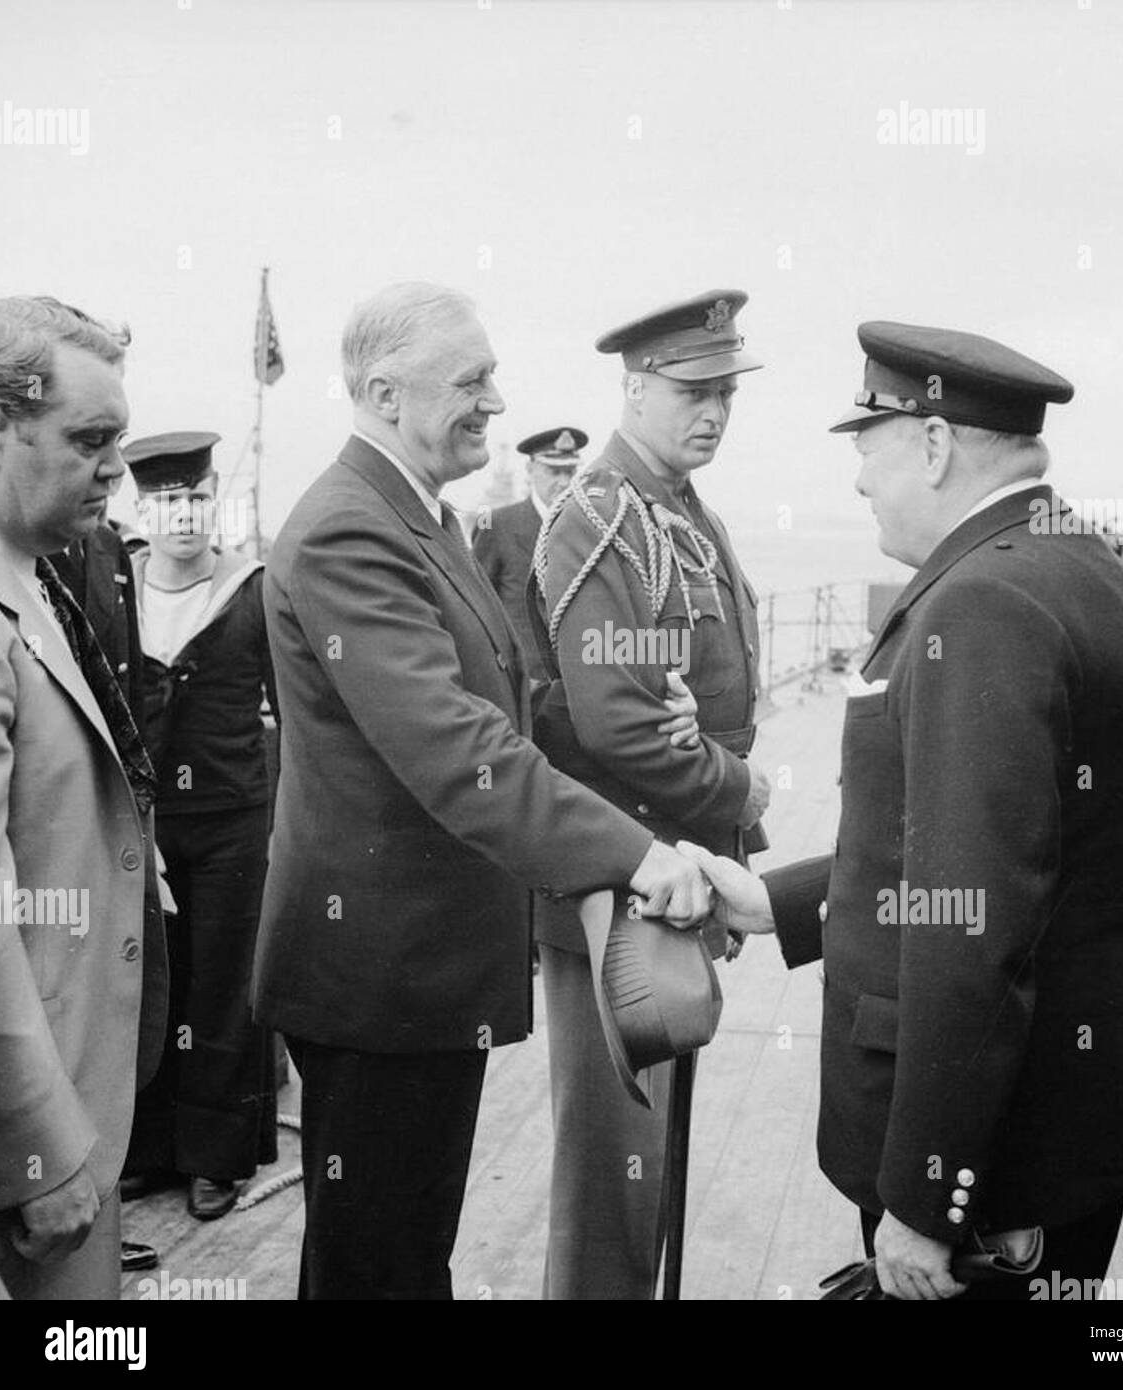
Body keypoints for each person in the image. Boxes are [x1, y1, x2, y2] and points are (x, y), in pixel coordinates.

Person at [683, 321, 1123, 1301]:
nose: (859, 482)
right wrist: (770, 904)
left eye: (865, 449)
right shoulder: (1077, 562)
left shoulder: (981, 603)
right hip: (1071, 1116)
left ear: (934, 442)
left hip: (999, 1154)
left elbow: (977, 922)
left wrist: (927, 1193)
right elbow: (1012, 856)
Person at [250, 281, 710, 1300]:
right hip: (378, 978)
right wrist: (640, 855)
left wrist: (649, 716)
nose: (497, 402)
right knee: (382, 1266)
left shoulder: (421, 519)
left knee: (394, 1255)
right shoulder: (348, 530)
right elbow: (460, 754)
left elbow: (506, 704)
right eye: (471, 380)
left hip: (423, 971)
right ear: (382, 391)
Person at [530, 289, 769, 1299]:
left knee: (650, 1164)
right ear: (633, 387)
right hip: (620, 892)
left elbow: (680, 692)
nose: (712, 411)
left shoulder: (679, 510)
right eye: (690, 391)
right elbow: (616, 721)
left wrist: (702, 742)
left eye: (724, 392)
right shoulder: (600, 514)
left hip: (676, 882)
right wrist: (741, 783)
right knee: (613, 1176)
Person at [0, 296, 167, 1299]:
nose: (116, 468)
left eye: (121, 441)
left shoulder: (35, 578)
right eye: (90, 439)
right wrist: (42, 1143)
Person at [118, 432, 279, 1220]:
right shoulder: (117, 587)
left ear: (214, 502)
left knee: (222, 981)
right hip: (141, 823)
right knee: (154, 982)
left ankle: (218, 1154)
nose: (184, 515)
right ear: (141, 509)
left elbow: (293, 711)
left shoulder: (253, 588)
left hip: (231, 820)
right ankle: (149, 1148)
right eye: (167, 500)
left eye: (196, 497)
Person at [473, 427, 586, 680]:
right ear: (531, 469)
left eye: (570, 472)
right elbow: (478, 606)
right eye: (554, 471)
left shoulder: (588, 528)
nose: (564, 482)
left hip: (579, 677)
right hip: (522, 680)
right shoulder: (494, 523)